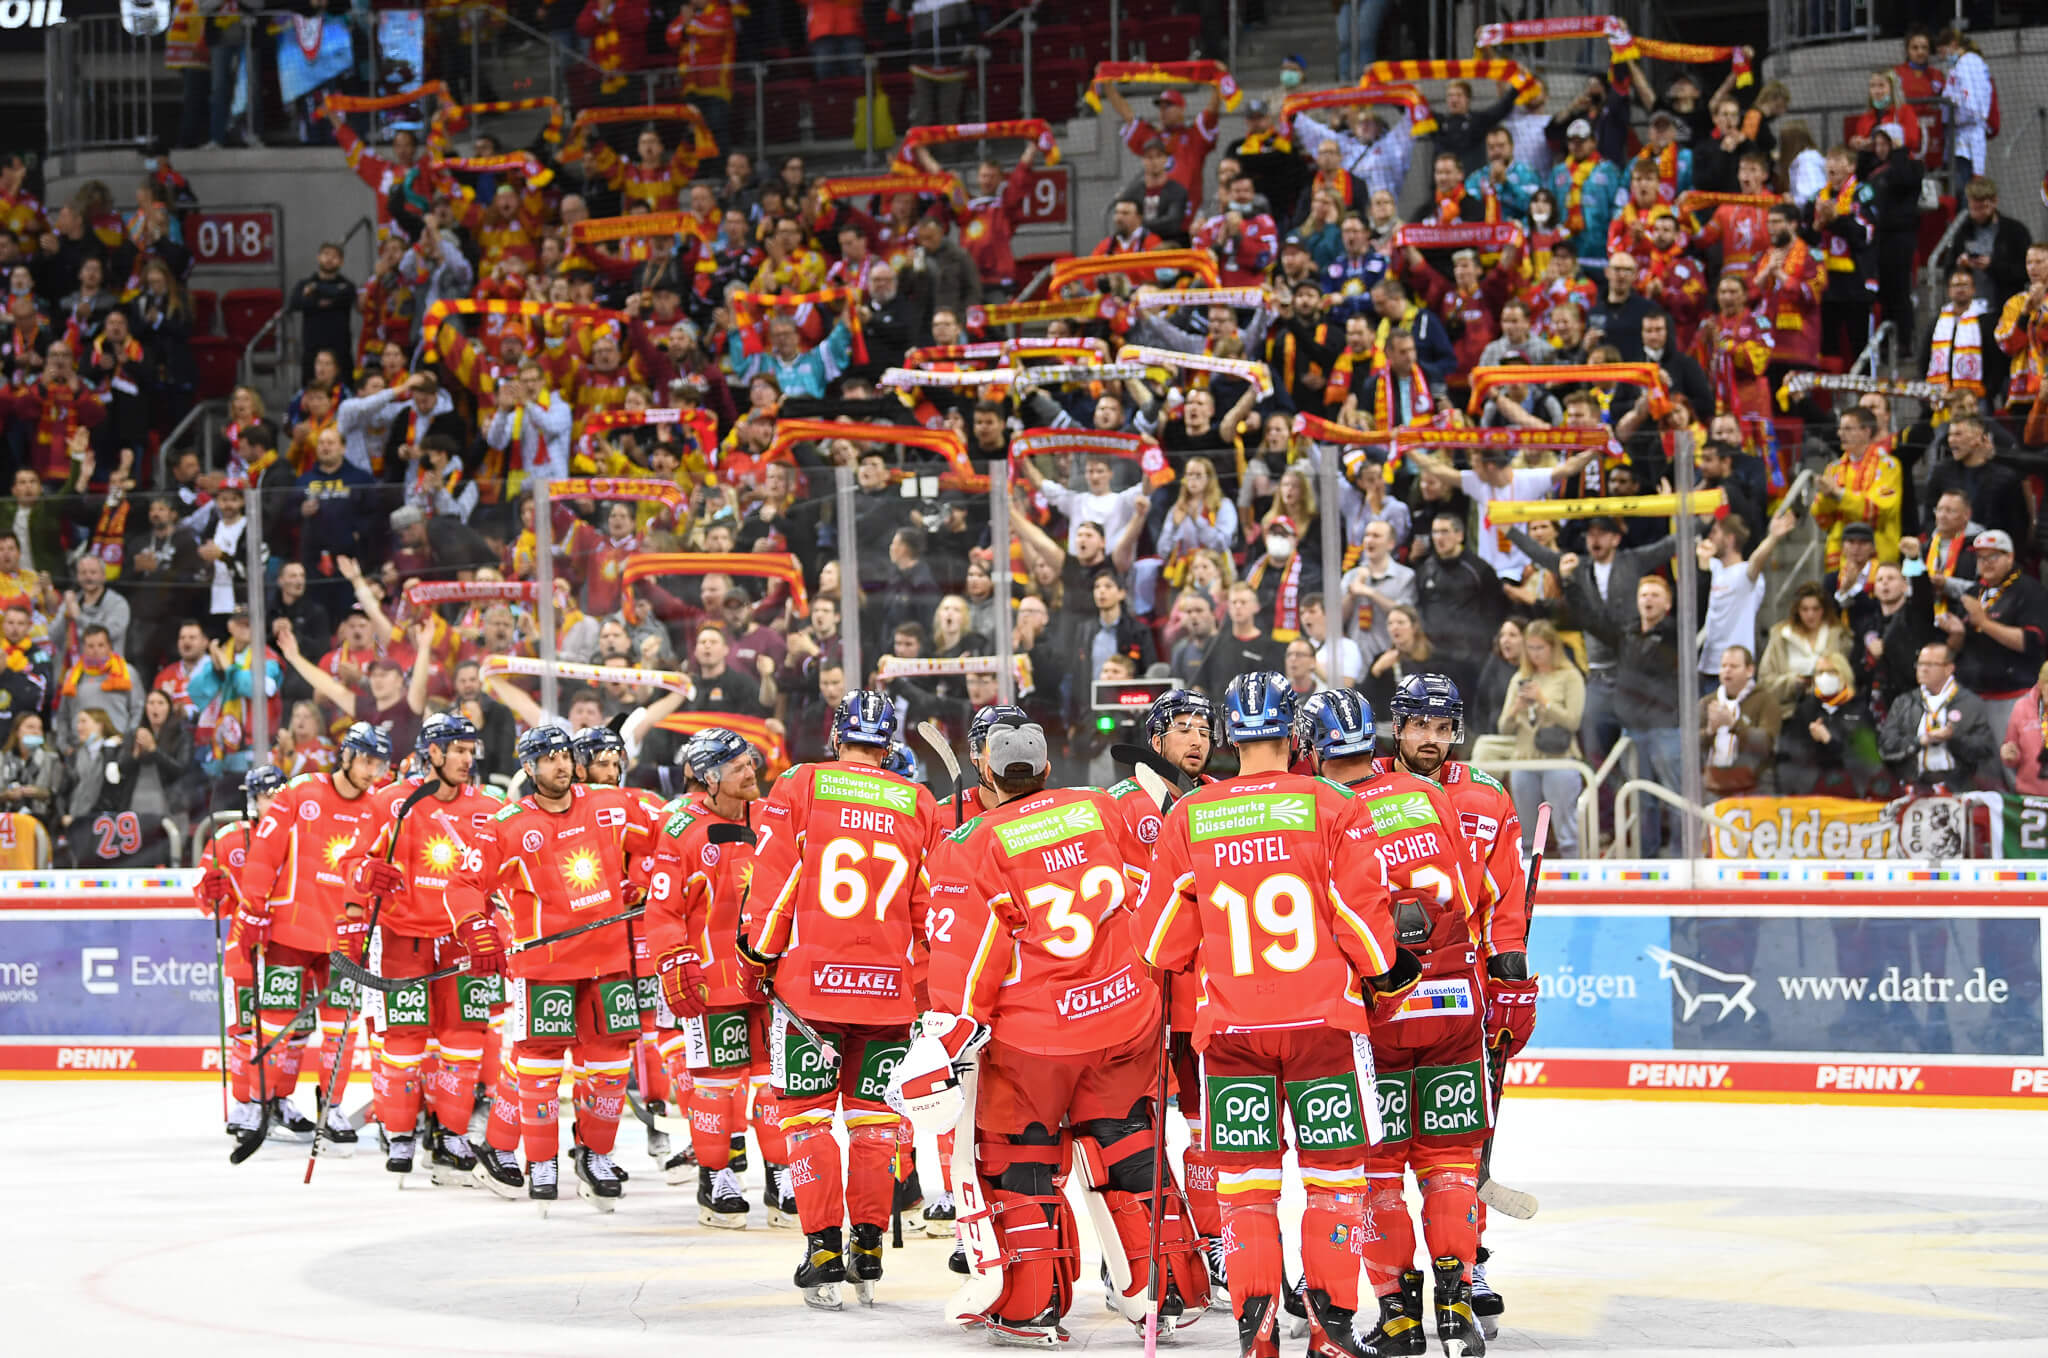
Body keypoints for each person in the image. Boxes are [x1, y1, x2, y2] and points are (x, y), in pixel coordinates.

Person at [1133, 672, 1422, 1358]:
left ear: (1230, 735)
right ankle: (1331, 1332)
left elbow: (1159, 945)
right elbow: (1363, 921)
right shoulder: (1332, 803)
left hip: (1231, 1032)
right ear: (1295, 734)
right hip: (1324, 1025)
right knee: (1333, 1182)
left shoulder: (1190, 817)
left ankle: (1256, 1333)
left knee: (1246, 1190)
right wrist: (1387, 973)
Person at [914, 721, 1211, 1343]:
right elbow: (1146, 894)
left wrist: (944, 1038)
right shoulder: (1100, 808)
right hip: (1125, 1019)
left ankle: (1031, 1307)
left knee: (1020, 1162)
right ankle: (1168, 1290)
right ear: (1047, 770)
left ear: (986, 773)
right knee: (1131, 1150)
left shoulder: (969, 843)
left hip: (1035, 1042)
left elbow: (969, 958)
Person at [1299, 679, 1512, 1354]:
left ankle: (1396, 1313)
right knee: (1450, 1161)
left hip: (1380, 1010)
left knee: (1379, 1169)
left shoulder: (1326, 809)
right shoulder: (1428, 797)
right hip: (1453, 1003)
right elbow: (1477, 897)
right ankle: (1455, 1304)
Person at [744, 692, 944, 1309]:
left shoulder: (802, 784)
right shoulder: (918, 801)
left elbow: (777, 879)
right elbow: (927, 908)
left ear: (837, 736)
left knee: (805, 1120)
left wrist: (757, 953)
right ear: (889, 744)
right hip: (887, 995)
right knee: (876, 1126)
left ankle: (824, 1247)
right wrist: (923, 989)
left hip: (811, 994)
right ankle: (869, 1244)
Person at [461, 724, 651, 1207]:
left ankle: (596, 1154)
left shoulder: (610, 804)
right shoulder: (508, 823)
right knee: (539, 1066)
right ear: (528, 767)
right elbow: (464, 884)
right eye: (547, 758)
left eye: (564, 755)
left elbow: (658, 846)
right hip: (544, 965)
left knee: (610, 1066)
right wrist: (476, 929)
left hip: (608, 961)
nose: (560, 765)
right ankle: (539, 1159)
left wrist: (640, 878)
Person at [341, 713, 506, 1178]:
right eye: (458, 751)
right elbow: (351, 861)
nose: (467, 760)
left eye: (471, 752)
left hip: (461, 942)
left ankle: (452, 1135)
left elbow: (512, 876)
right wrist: (363, 877)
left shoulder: (489, 809)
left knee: (465, 1040)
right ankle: (399, 1134)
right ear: (432, 753)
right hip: (403, 938)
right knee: (404, 1041)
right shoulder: (392, 801)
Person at [641, 727, 791, 1222]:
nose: (752, 771)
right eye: (739, 766)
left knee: (775, 1083)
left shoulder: (771, 818)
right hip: (712, 983)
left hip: (767, 980)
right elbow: (662, 910)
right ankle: (716, 1176)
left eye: (751, 762)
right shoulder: (681, 828)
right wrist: (673, 959)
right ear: (710, 776)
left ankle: (779, 1175)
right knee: (717, 1084)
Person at [233, 723, 393, 1153]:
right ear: (345, 755)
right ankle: (259, 1103)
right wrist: (252, 907)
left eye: (379, 763)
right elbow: (265, 854)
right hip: (292, 929)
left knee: (342, 1025)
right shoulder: (301, 791)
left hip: (344, 937)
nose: (372, 771)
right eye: (365, 760)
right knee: (274, 1023)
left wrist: (365, 913)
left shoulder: (378, 808)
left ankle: (332, 1105)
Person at [1579, 576, 1683, 856]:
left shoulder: (1676, 633)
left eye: (1655, 595)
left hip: (1666, 728)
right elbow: (1592, 622)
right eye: (1644, 595)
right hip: (1632, 730)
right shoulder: (1627, 634)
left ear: (1669, 603)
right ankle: (1645, 857)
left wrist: (1703, 570)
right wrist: (1571, 584)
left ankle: (1681, 857)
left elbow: (1697, 600)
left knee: (1675, 797)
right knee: (1640, 799)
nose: (1648, 599)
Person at [1937, 529, 2048, 740]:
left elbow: (2032, 642)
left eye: (1993, 556)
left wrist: (1984, 623)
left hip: (2015, 696)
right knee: (1978, 769)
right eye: (1980, 557)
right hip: (1972, 693)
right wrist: (1957, 635)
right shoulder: (1974, 592)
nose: (1986, 562)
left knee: (2014, 765)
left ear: (2010, 557)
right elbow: (1960, 647)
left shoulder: (2030, 591)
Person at [1495, 619, 1585, 857]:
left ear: (1553, 647)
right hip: (1524, 760)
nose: (1535, 654)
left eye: (1540, 648)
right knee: (1525, 834)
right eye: (1530, 648)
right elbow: (1503, 727)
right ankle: (1524, 884)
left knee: (1567, 832)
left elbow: (1573, 721)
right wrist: (1516, 707)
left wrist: (1544, 701)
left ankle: (1573, 878)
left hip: (1559, 758)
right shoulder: (1519, 678)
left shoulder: (1569, 676)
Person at [1877, 641, 1997, 792]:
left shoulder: (1970, 703)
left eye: (1930, 664)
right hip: (1913, 785)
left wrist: (1953, 737)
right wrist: (1920, 741)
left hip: (1958, 787)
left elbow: (1985, 750)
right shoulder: (1904, 702)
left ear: (1949, 668)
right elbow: (1886, 746)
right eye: (1920, 664)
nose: (1923, 669)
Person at [1776, 653, 1883, 799]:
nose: (1825, 677)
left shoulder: (1858, 710)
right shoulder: (1805, 709)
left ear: (1843, 674)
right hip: (1811, 792)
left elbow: (1866, 760)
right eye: (1820, 672)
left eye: (1831, 672)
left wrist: (1829, 741)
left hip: (1851, 791)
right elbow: (1792, 754)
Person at [1700, 645, 1781, 797]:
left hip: (1754, 786)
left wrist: (1734, 725)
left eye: (1734, 666)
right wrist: (1710, 731)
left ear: (1750, 671)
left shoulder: (1766, 700)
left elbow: (1767, 745)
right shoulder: (1707, 703)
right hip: (1713, 785)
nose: (1727, 671)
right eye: (1723, 666)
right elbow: (1688, 746)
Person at [1759, 584, 1855, 709]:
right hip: (1789, 710)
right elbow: (1765, 680)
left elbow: (1847, 676)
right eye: (1805, 609)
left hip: (1831, 708)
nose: (1810, 614)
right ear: (1797, 610)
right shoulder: (1781, 636)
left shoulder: (1838, 636)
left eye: (1816, 609)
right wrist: (1793, 682)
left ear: (1824, 609)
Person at [1999, 661, 2048, 798]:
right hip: (2030, 794)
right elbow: (2012, 748)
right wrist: (2010, 755)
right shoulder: (2023, 707)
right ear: (2041, 684)